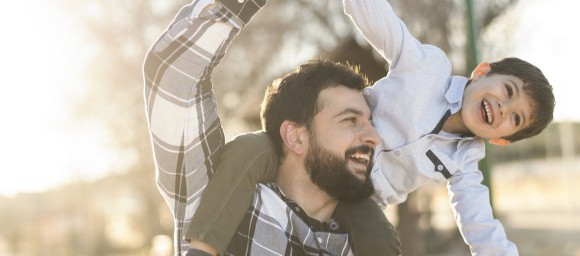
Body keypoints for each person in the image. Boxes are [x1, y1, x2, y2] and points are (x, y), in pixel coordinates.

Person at [186, 0, 556, 255]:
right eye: (507, 92)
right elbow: (382, 24)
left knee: (381, 240)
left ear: (503, 139)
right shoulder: (427, 69)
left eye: (515, 118)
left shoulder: (463, 165)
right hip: (320, 149)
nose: (503, 108)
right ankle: (202, 247)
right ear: (482, 71)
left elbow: (481, 226)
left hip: (358, 193)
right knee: (249, 150)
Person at [143, 0, 399, 255]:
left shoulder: (365, 243)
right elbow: (173, 74)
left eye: (369, 123)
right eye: (350, 120)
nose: (373, 137)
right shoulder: (221, 199)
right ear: (296, 137)